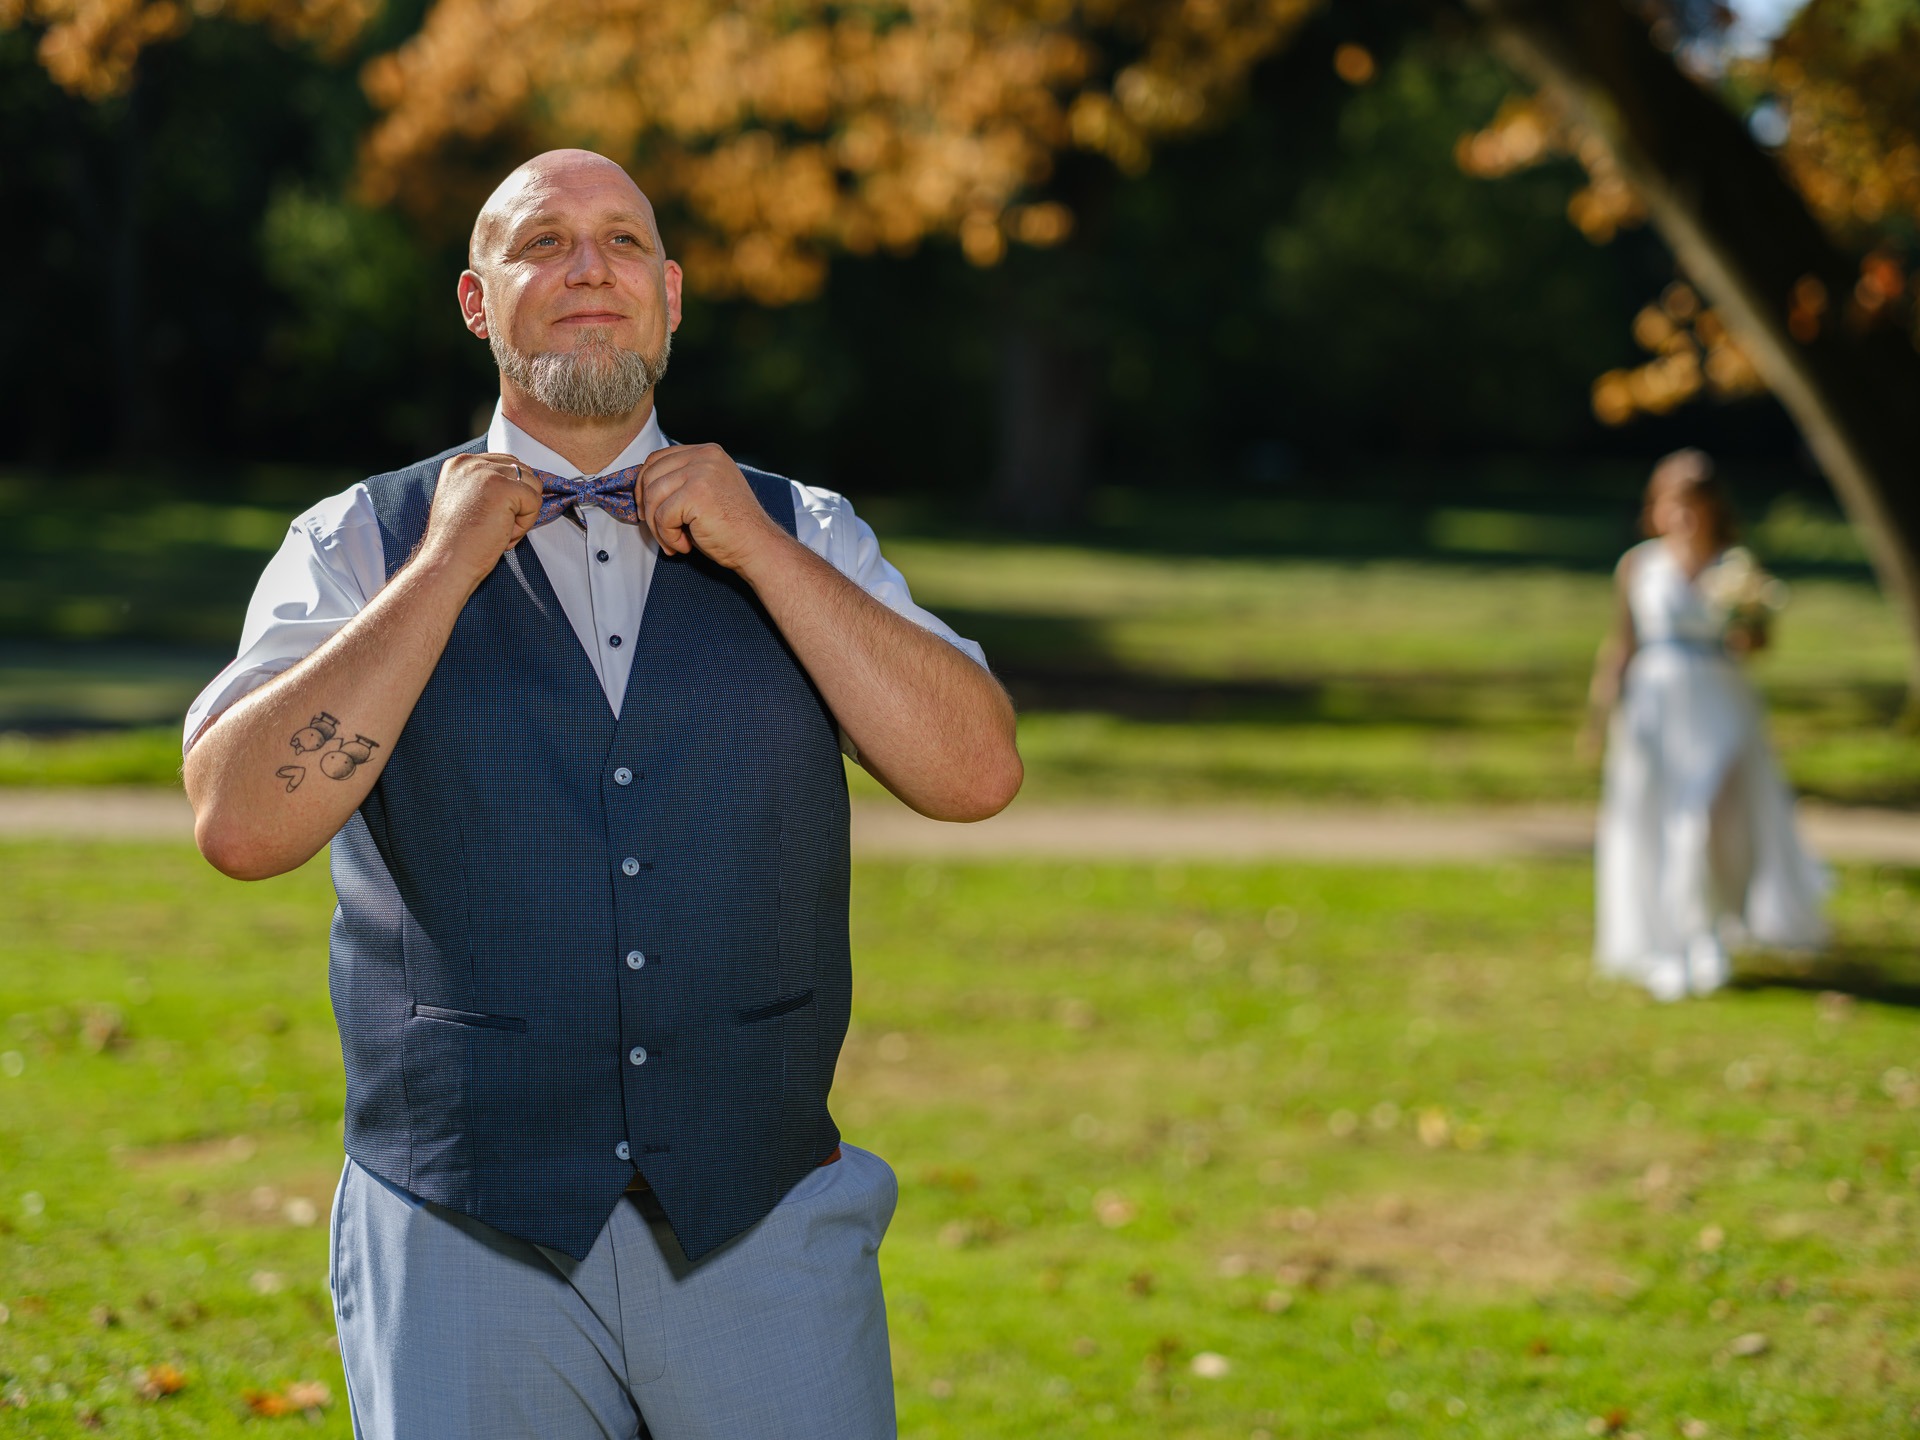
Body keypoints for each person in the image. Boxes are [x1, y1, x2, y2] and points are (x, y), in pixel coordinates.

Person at [181, 148, 1022, 1439]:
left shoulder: (808, 528)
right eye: (543, 242)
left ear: (672, 297)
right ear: (478, 301)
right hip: (462, 1225)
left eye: (624, 243)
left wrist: (758, 549)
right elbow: (243, 825)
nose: (589, 268)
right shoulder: (358, 540)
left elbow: (975, 775)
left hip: (760, 1217)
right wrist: (448, 564)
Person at [1585, 448, 1826, 1002]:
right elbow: (1622, 644)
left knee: (1714, 817)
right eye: (1675, 505)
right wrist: (1600, 714)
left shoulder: (1736, 567)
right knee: (1658, 821)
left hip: (1719, 702)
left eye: (1695, 506)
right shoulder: (1638, 565)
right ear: (1658, 508)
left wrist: (1748, 624)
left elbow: (1759, 644)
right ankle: (1671, 940)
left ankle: (1711, 931)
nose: (1685, 517)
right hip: (1655, 710)